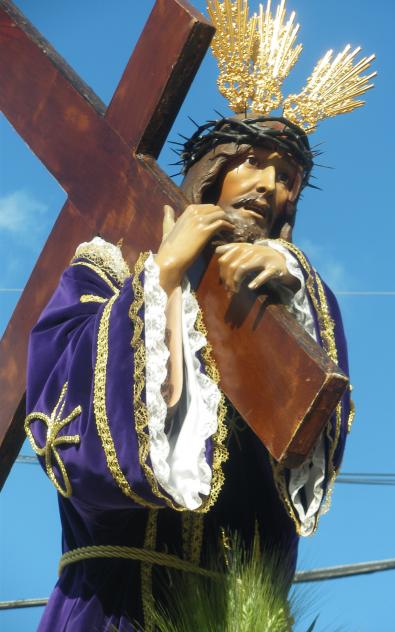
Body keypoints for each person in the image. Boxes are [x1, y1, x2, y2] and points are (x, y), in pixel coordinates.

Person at [25, 1, 374, 629]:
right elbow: (69, 429)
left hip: (244, 611)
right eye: (255, 162)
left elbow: (317, 415)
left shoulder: (290, 303)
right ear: (213, 170)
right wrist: (162, 279)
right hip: (116, 606)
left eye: (288, 175)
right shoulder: (108, 269)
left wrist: (291, 277)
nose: (271, 185)